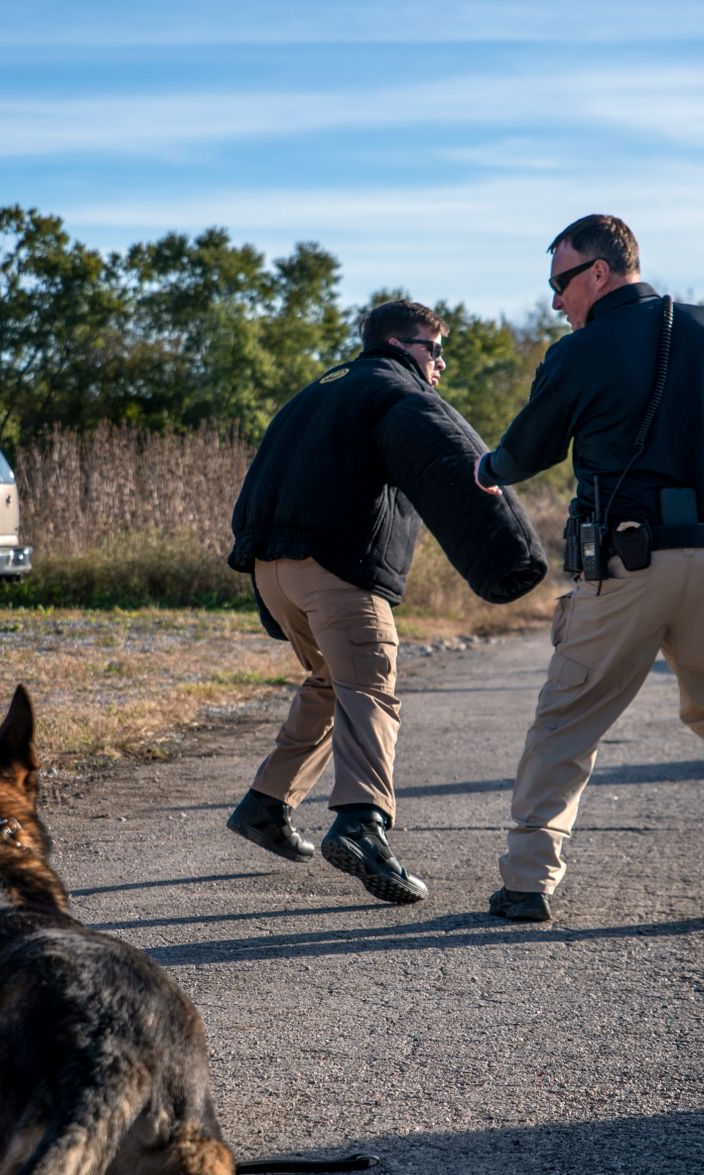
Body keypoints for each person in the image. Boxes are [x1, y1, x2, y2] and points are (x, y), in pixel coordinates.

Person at [475, 214, 704, 924]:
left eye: (561, 283)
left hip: (625, 569)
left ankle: (526, 883)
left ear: (598, 272)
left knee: (566, 722)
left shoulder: (577, 352)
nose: (556, 301)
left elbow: (528, 451)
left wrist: (487, 467)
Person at [226, 299, 546, 905]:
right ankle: (361, 824)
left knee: (331, 680)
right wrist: (512, 554)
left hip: (271, 568)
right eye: (434, 349)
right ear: (399, 346)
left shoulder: (315, 392)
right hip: (335, 569)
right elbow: (451, 456)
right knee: (369, 685)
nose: (440, 364)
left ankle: (267, 804)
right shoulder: (394, 390)